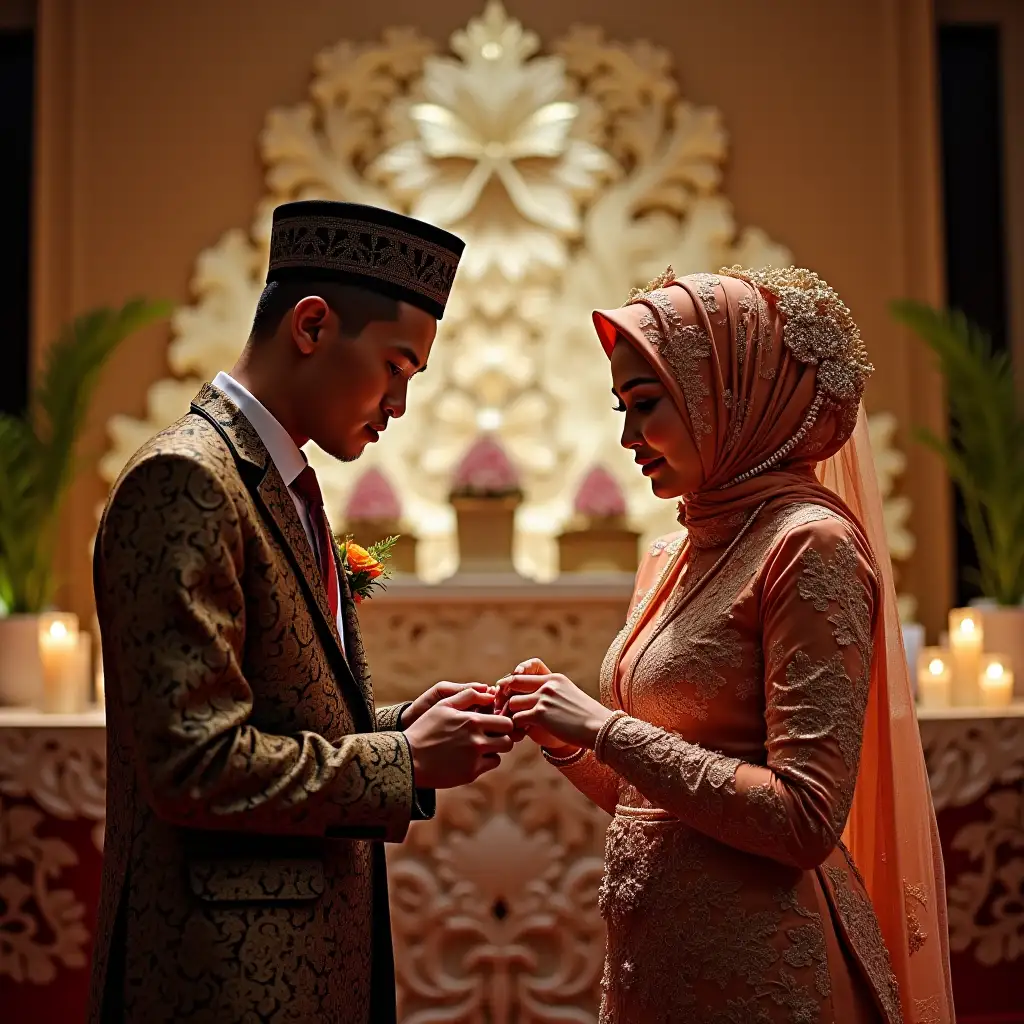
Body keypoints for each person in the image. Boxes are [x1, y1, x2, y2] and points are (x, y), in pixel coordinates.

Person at [88, 200, 515, 1024]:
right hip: (220, 975)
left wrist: (400, 727)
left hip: (301, 964)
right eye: (396, 367)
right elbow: (194, 765)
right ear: (312, 326)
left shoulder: (278, 482)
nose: (399, 403)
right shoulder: (186, 479)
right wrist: (405, 763)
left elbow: (277, 716)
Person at [497, 267, 954, 1023]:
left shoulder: (811, 545)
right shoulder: (672, 553)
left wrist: (603, 727)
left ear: (730, 398)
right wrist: (569, 744)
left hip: (762, 969)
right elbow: (655, 799)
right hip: (661, 965)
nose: (626, 437)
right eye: (621, 408)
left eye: (647, 406)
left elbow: (804, 818)